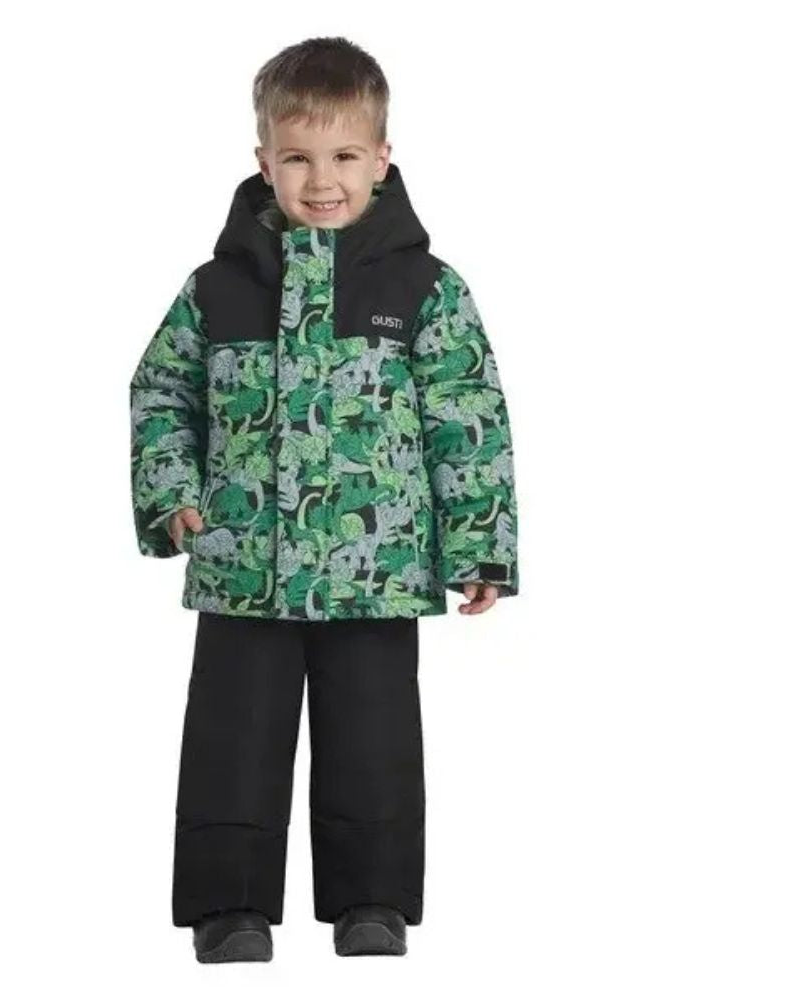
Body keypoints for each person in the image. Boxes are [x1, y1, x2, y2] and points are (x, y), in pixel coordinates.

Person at [130, 36, 519, 962]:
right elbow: (162, 394)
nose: (321, 180)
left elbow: (468, 415)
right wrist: (173, 494)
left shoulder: (424, 289)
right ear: (263, 161)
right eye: (297, 157)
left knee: (373, 744)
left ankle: (371, 901)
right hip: (243, 566)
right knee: (232, 743)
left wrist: (479, 544)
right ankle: (229, 907)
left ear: (382, 158)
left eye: (344, 155)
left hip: (377, 575)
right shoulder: (218, 289)